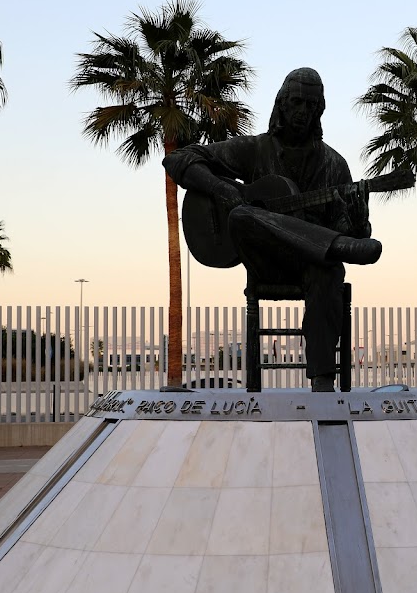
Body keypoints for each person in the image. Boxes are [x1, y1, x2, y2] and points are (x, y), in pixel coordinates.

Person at [163, 67, 381, 392]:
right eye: (297, 102)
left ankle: (323, 383)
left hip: (310, 264)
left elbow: (353, 232)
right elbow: (178, 159)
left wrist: (360, 222)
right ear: (282, 103)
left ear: (319, 110)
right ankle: (332, 245)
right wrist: (220, 188)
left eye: (311, 105)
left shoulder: (334, 165)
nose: (303, 111)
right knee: (241, 216)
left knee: (327, 270)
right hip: (265, 260)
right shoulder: (255, 149)